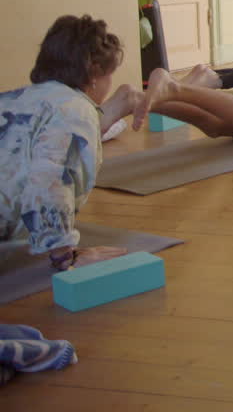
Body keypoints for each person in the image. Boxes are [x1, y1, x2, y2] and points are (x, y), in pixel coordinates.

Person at [0, 15, 142, 271]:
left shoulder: (15, 98)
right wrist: (66, 256)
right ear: (96, 72)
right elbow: (49, 183)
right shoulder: (75, 110)